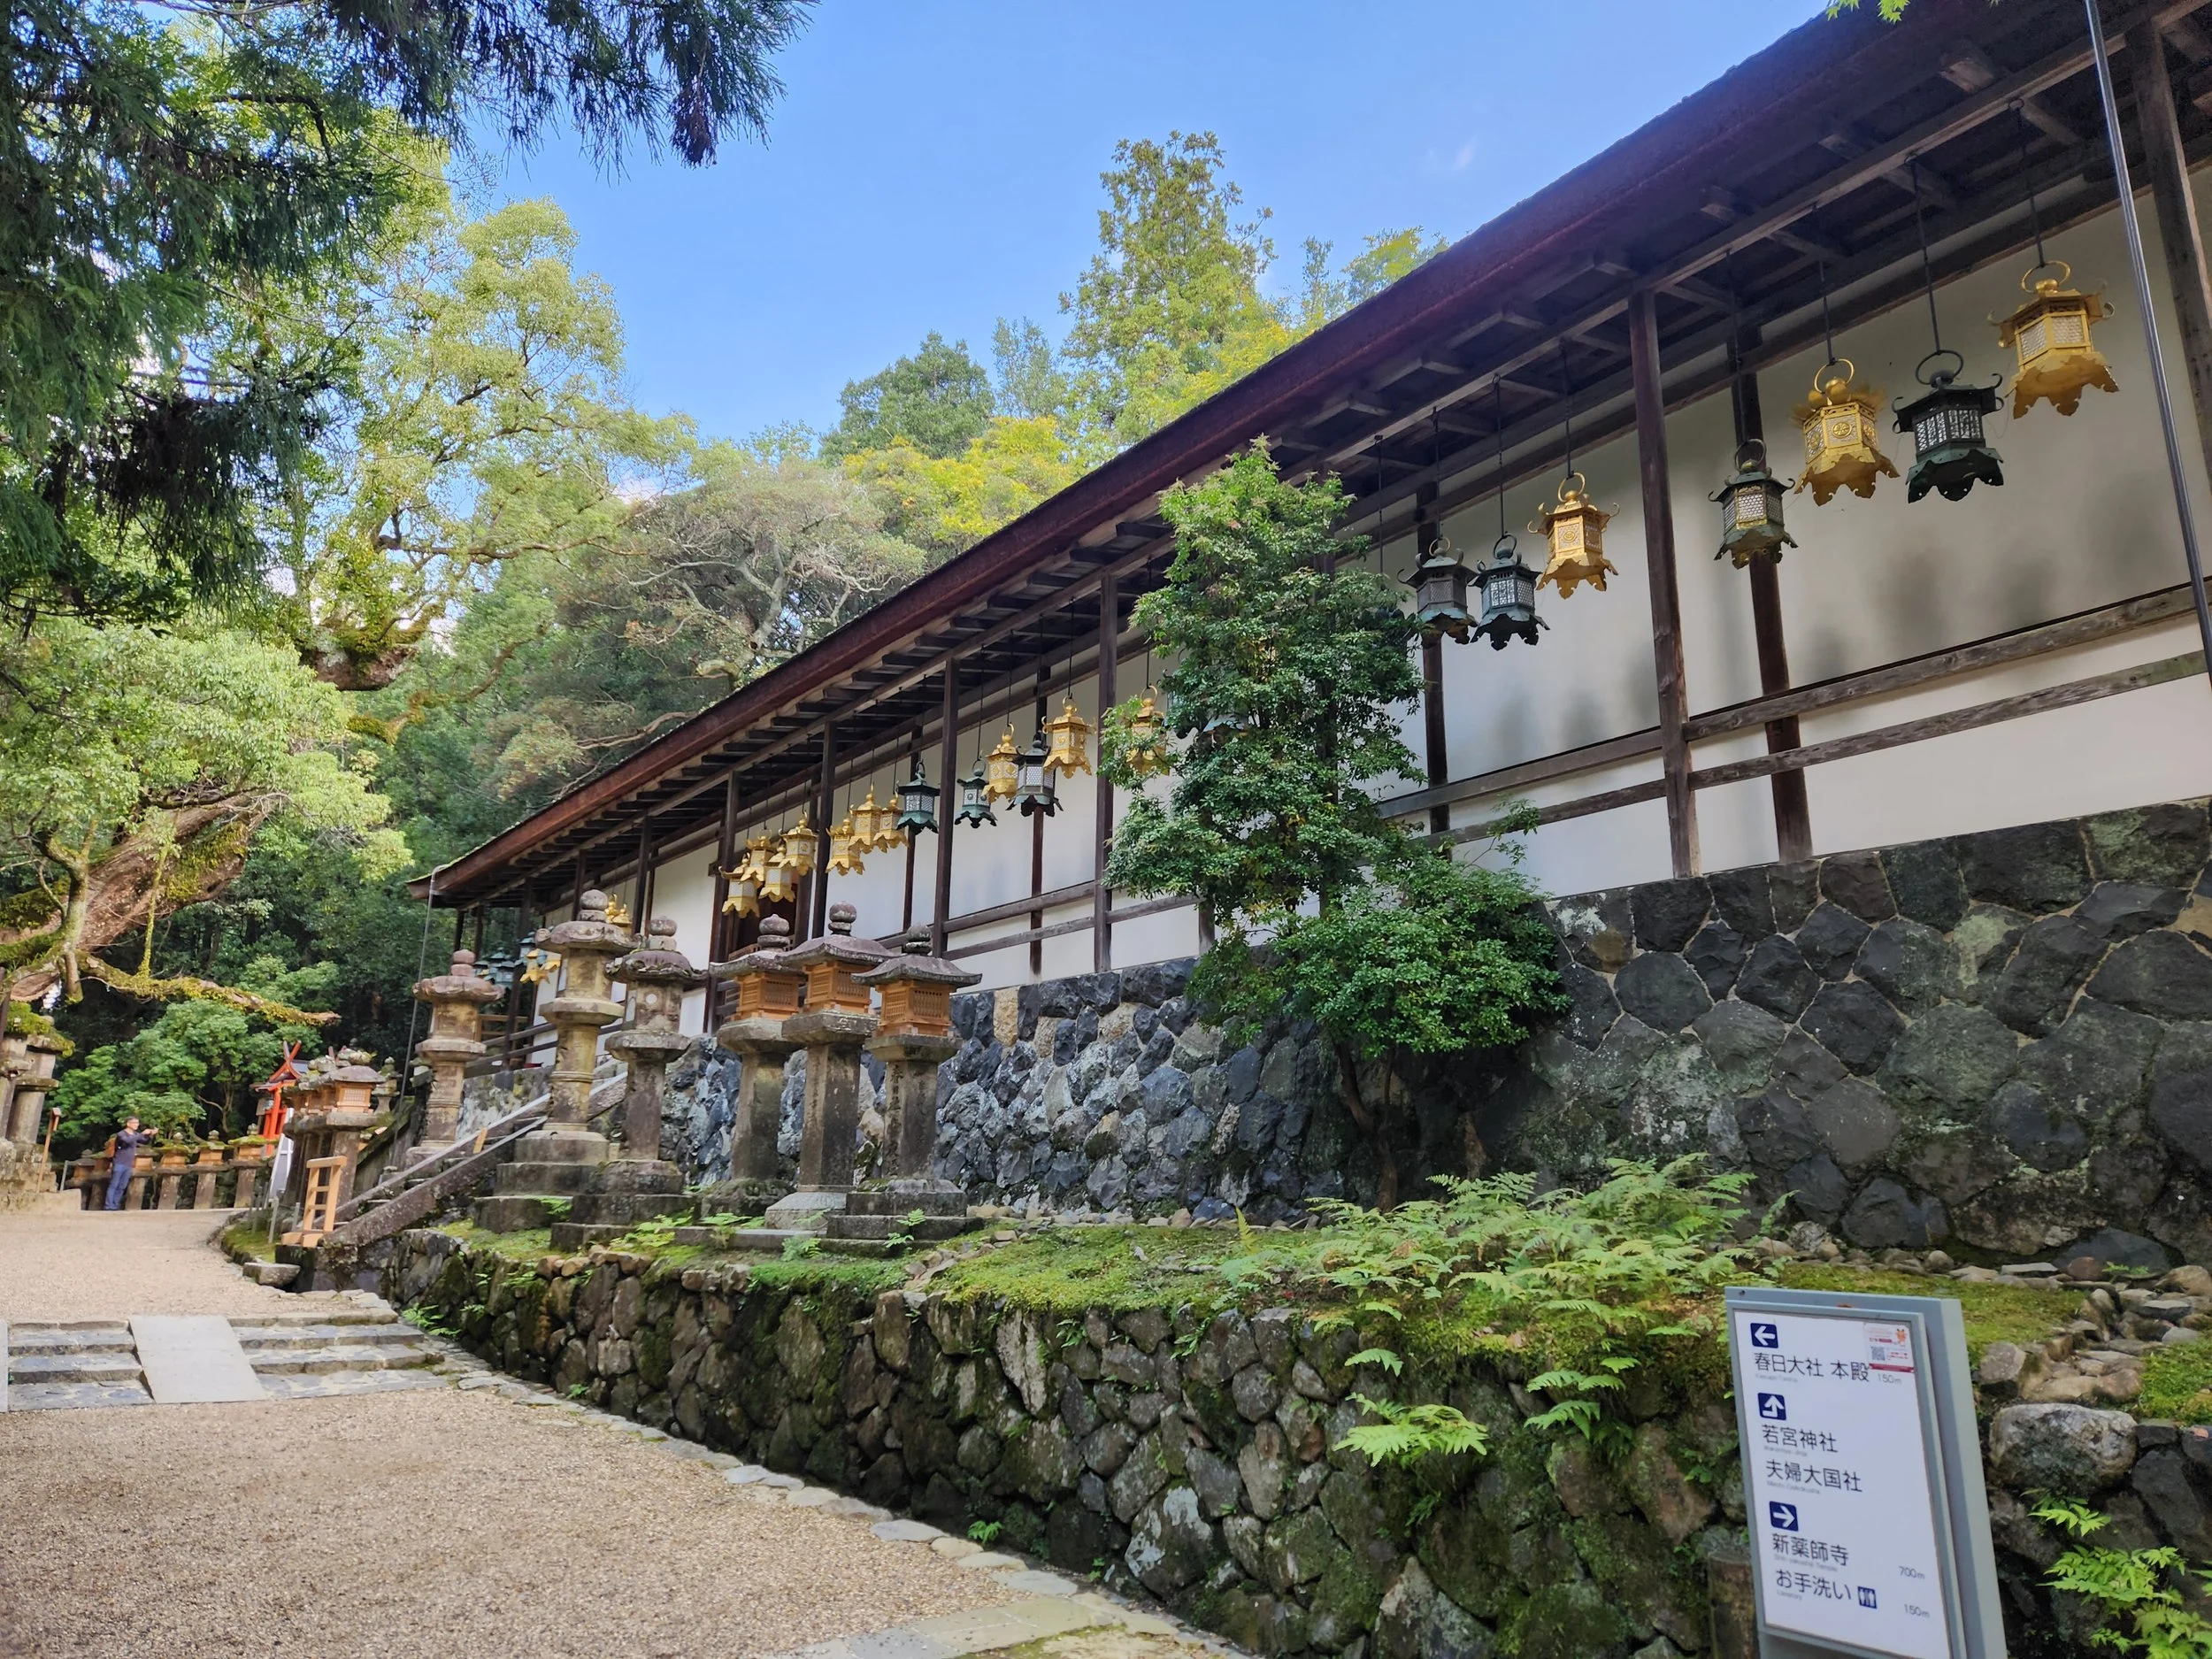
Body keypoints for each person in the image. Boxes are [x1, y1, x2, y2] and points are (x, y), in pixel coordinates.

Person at [104, 1118, 154, 1211]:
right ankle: (108, 1205)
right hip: (119, 1162)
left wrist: (150, 1135)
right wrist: (142, 1134)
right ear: (128, 1124)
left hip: (128, 1164)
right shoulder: (121, 1134)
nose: (137, 1125)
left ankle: (114, 1205)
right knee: (114, 1184)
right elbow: (127, 1141)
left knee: (122, 1186)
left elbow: (144, 1141)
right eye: (134, 1123)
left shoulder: (135, 1134)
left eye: (138, 1123)